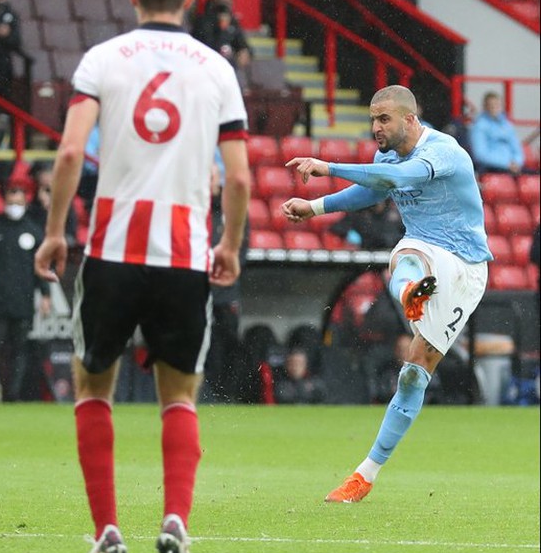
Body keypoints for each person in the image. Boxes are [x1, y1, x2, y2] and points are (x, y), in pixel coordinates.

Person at [34, 0, 250, 553]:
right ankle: (176, 519)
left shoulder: (103, 59)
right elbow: (237, 176)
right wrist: (229, 245)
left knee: (91, 386)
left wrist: (53, 232)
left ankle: (106, 532)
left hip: (111, 252)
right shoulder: (216, 68)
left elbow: (72, 148)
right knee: (178, 398)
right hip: (184, 255)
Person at [282, 84, 492, 503]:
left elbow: (395, 178)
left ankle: (414, 292)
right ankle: (364, 476)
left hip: (466, 267)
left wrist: (328, 166)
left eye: (384, 119)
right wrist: (316, 207)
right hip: (427, 253)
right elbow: (373, 190)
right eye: (373, 119)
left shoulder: (443, 151)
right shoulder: (387, 156)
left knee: (416, 361)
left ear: (410, 120)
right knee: (403, 263)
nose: (376, 127)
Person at [0, 186, 51, 403]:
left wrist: (45, 295)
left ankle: (13, 395)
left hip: (22, 301)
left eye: (18, 203)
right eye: (10, 203)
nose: (13, 207)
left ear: (25, 205)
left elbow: (41, 266)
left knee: (19, 351)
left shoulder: (34, 231)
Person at [202, 154, 249, 403]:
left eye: (211, 176)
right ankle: (202, 393)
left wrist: (229, 267)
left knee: (227, 341)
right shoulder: (194, 208)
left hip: (226, 289)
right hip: (199, 288)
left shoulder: (232, 208)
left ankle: (226, 393)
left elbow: (243, 245)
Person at [191, 0, 251, 70]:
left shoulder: (233, 22)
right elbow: (207, 45)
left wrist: (244, 51)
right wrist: (222, 28)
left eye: (228, 1)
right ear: (216, 1)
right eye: (223, 1)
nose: (225, 5)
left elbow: (241, 42)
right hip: (206, 65)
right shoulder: (204, 20)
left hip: (228, 65)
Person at [469, 91, 524, 174]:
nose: (494, 108)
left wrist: (517, 162)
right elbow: (480, 155)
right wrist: (506, 164)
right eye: (491, 105)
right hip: (492, 168)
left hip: (512, 167)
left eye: (497, 105)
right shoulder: (479, 126)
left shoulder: (507, 125)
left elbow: (517, 149)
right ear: (485, 107)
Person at [330, 198, 403, 250]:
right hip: (364, 253)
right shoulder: (359, 215)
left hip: (390, 252)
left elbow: (404, 233)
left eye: (380, 200)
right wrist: (349, 233)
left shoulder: (394, 216)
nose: (377, 203)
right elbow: (336, 228)